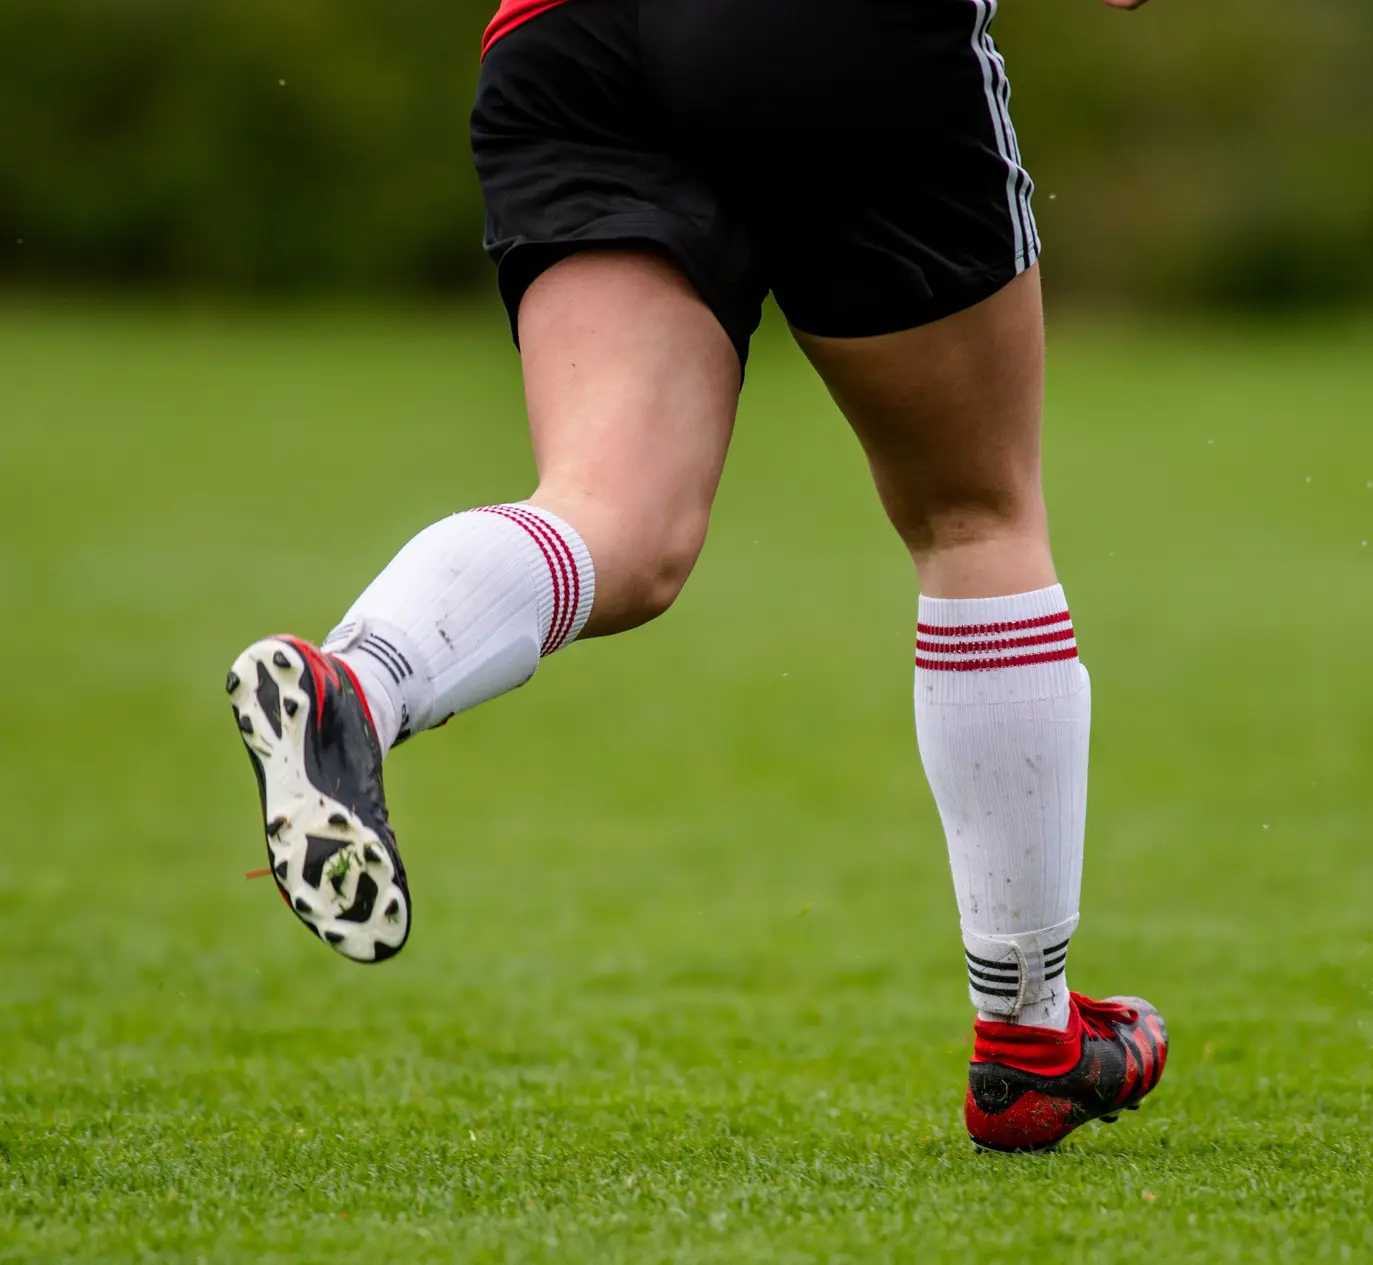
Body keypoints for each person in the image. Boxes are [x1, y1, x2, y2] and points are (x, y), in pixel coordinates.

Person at [224, 0, 1167, 1153]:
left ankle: (359, 686)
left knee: (614, 515)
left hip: (568, 37)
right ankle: (1028, 1034)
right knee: (973, 516)